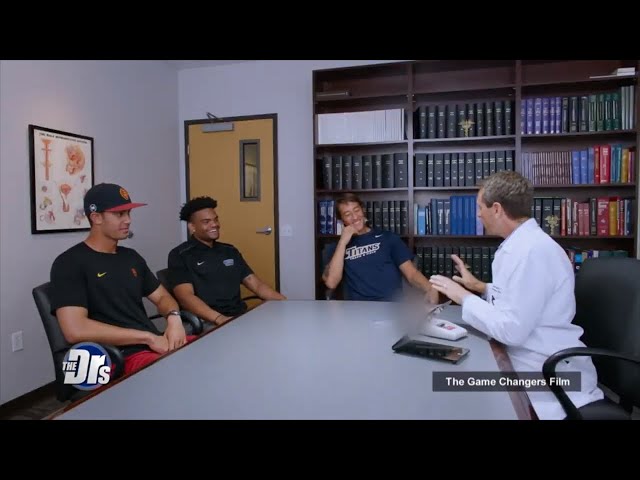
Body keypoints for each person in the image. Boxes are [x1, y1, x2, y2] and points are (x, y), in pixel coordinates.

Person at [428, 171, 604, 420]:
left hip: (550, 374)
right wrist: (481, 287)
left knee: (448, 384)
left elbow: (511, 330)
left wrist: (463, 297)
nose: (478, 214)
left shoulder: (533, 252)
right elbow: (522, 298)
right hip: (529, 359)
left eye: (480, 207)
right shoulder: (522, 245)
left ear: (497, 209)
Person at [49, 183, 198, 377]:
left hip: (151, 346)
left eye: (128, 213)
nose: (128, 220)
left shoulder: (131, 257)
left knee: (208, 352)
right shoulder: (69, 263)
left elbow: (162, 297)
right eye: (119, 214)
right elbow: (75, 330)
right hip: (113, 358)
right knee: (187, 373)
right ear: (96, 217)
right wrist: (147, 338)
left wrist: (174, 318)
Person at [166, 196, 286, 328]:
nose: (214, 225)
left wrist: (286, 303)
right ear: (192, 227)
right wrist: (219, 319)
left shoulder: (229, 251)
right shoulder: (180, 255)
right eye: (206, 221)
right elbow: (185, 297)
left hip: (238, 317)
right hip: (207, 321)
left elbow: (256, 285)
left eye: (215, 219)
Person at [323, 193, 439, 303]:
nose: (355, 217)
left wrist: (430, 288)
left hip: (391, 305)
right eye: (347, 214)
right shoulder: (337, 248)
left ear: (363, 210)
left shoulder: (388, 238)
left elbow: (411, 273)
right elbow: (331, 283)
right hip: (358, 308)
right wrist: (343, 242)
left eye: (356, 210)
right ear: (342, 220)